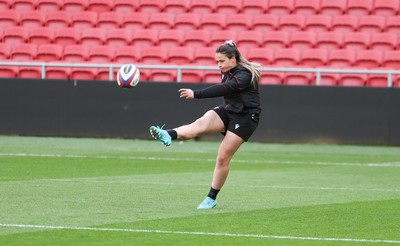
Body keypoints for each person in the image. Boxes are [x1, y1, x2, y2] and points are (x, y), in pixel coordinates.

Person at [149, 40, 262, 209]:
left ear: (233, 59)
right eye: (217, 61)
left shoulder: (244, 75)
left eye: (221, 61)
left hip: (245, 118)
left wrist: (197, 94)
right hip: (229, 110)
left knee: (223, 156)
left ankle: (211, 198)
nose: (218, 65)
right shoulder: (227, 70)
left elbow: (225, 89)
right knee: (200, 124)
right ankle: (169, 134)